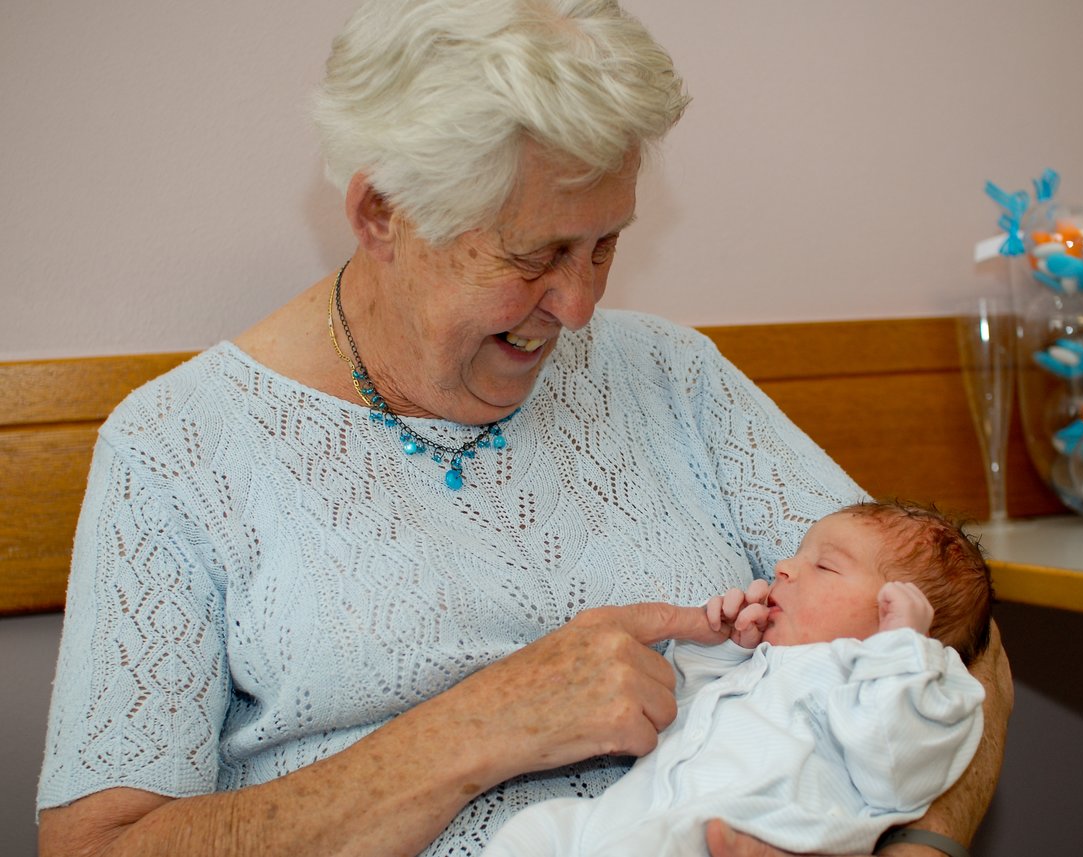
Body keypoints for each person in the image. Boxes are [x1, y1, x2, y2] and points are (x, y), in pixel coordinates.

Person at [36, 2, 1013, 856]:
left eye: (605, 245)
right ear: (384, 213)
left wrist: (918, 847)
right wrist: (475, 728)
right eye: (536, 252)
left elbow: (950, 641)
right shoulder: (177, 451)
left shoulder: (671, 377)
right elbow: (99, 847)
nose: (580, 305)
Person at [480, 501, 992, 857]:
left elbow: (894, 767)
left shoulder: (920, 686)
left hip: (743, 835)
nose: (784, 567)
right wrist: (722, 648)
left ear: (897, 612)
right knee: (539, 831)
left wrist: (898, 651)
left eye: (826, 567)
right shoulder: (768, 661)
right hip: (631, 818)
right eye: (797, 553)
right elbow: (680, 714)